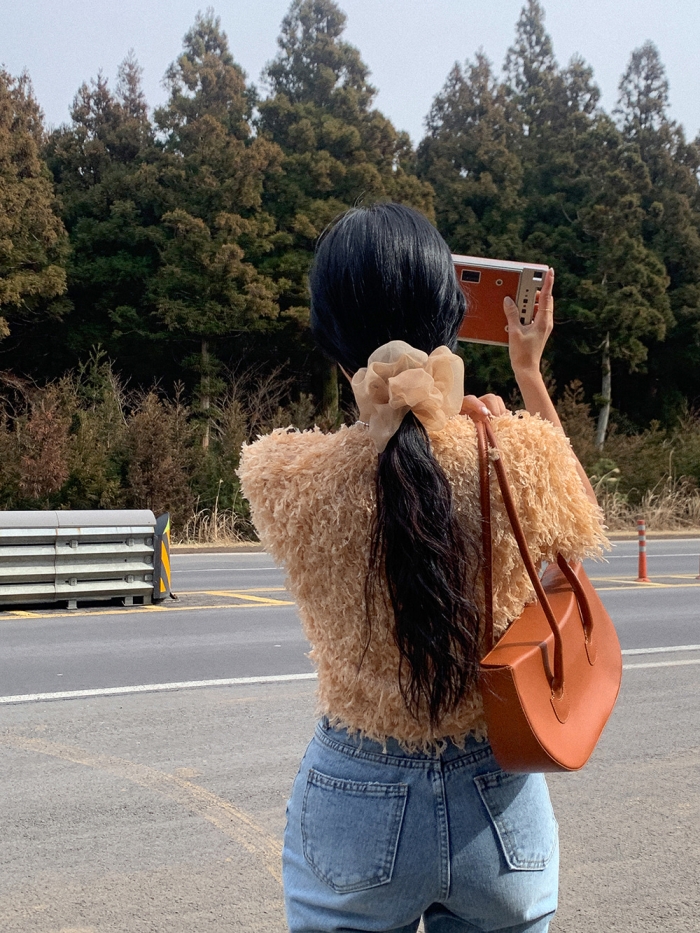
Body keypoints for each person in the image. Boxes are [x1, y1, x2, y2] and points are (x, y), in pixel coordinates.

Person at [238, 203, 607, 933]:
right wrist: (526, 374)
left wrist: (407, 413)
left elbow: (378, 451)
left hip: (355, 792)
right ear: (451, 315)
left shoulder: (280, 473)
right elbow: (584, 521)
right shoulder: (513, 451)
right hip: (498, 794)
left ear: (329, 333)